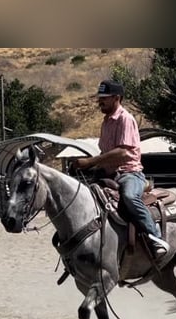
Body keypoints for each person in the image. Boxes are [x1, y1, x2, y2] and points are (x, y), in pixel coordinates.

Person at [71, 80, 169, 259]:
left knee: (130, 197)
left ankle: (156, 237)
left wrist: (91, 162)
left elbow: (123, 153)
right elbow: (106, 152)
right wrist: (88, 167)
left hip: (129, 173)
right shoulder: (106, 122)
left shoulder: (125, 119)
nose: (100, 102)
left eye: (104, 98)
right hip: (108, 173)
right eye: (100, 98)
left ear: (117, 98)